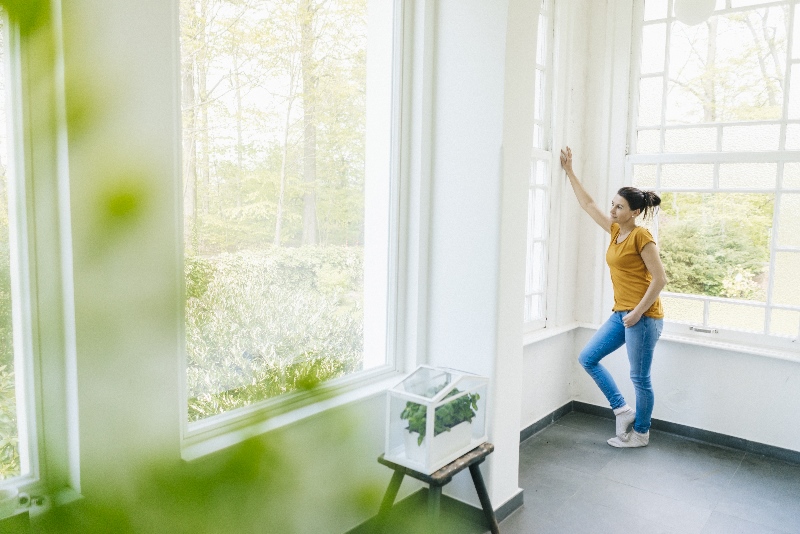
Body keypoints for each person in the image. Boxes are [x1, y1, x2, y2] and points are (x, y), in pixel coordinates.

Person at [560, 146, 667, 448]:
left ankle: (642, 434)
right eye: (613, 205)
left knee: (640, 378)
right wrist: (569, 171)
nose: (612, 211)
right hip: (622, 313)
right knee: (588, 357)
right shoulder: (615, 231)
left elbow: (660, 279)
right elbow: (589, 204)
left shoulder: (641, 236)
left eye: (619, 207)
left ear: (634, 212)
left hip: (643, 317)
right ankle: (622, 410)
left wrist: (636, 314)